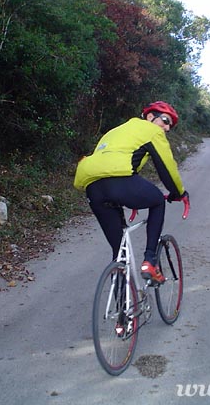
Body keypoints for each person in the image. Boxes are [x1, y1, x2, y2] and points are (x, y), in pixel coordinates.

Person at [74, 101, 189, 283]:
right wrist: (179, 193)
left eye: (170, 126)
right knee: (158, 200)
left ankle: (120, 308)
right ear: (150, 117)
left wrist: (129, 195)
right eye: (165, 121)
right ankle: (150, 260)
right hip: (119, 182)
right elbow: (167, 168)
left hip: (93, 188)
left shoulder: (115, 130)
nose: (167, 128)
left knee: (119, 252)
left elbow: (114, 162)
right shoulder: (151, 130)